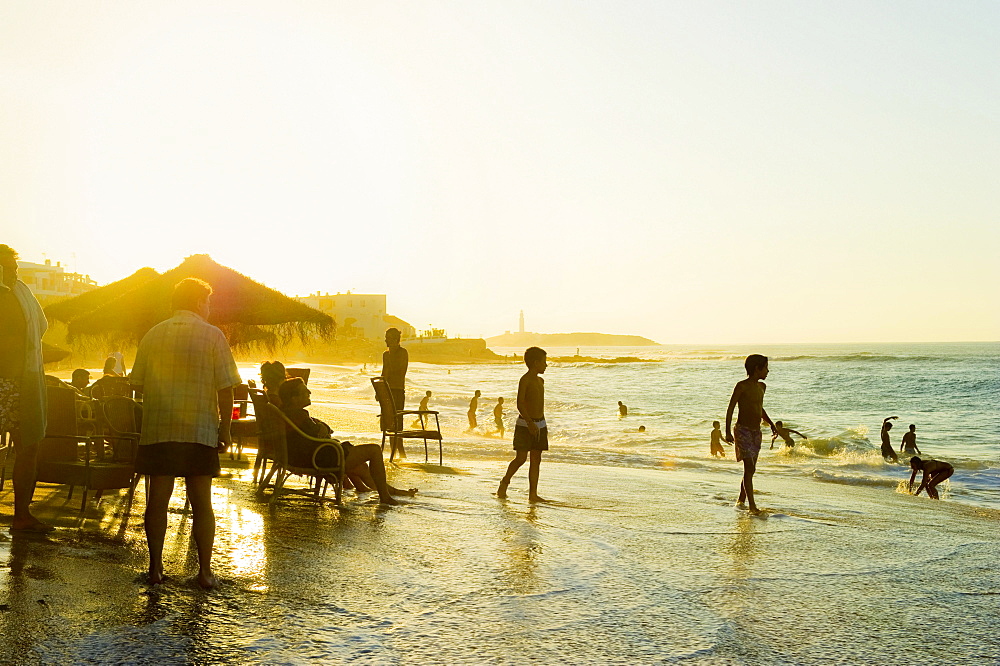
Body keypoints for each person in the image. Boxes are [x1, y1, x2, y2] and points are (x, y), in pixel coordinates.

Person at [130, 278, 241, 589]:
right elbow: (225, 390)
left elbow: (136, 384)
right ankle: (204, 572)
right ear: (198, 302)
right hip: (199, 429)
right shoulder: (213, 335)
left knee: (157, 503)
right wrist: (226, 428)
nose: (208, 308)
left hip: (159, 429)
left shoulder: (153, 334)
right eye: (207, 302)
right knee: (202, 504)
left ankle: (155, 569)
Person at [278, 378, 415, 504]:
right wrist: (322, 427)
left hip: (314, 456)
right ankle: (385, 497)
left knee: (361, 467)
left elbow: (318, 431)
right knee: (374, 450)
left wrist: (320, 427)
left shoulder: (287, 413)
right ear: (294, 398)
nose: (309, 392)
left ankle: (390, 491)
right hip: (319, 459)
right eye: (304, 391)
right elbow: (320, 432)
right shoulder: (298, 416)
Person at [0, 245, 52, 532]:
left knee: (29, 445)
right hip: (8, 380)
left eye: (13, 267)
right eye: (5, 267)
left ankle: (21, 514)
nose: (11, 272)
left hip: (26, 379)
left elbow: (39, 329)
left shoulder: (22, 293)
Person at [725, 354, 776, 515]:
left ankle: (741, 500)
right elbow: (731, 408)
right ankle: (752, 506)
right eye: (766, 367)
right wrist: (727, 431)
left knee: (751, 469)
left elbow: (759, 408)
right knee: (749, 467)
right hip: (742, 430)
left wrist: (772, 424)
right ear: (757, 369)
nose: (768, 371)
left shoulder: (762, 387)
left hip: (756, 432)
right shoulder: (741, 386)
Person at [497, 347, 548, 502]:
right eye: (544, 362)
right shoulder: (525, 380)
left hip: (540, 424)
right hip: (525, 425)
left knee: (536, 459)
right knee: (520, 459)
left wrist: (539, 424)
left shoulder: (541, 380)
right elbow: (520, 404)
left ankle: (533, 494)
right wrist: (530, 422)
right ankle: (504, 483)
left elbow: (539, 405)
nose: (546, 365)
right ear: (535, 363)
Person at [381, 328, 408, 460]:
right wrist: (380, 392)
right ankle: (394, 452)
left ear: (395, 339)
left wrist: (391, 356)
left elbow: (400, 372)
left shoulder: (403, 353)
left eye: (388, 337)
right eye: (386, 337)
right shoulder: (385, 355)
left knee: (398, 423)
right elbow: (383, 374)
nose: (385, 339)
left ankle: (401, 451)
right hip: (387, 392)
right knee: (390, 423)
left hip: (397, 391)